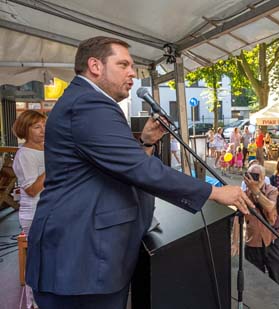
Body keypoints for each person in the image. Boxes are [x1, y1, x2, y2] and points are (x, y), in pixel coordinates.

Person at [26, 36, 253, 308]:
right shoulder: (89, 105)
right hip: (81, 260)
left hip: (85, 259)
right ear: (95, 66)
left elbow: (115, 165)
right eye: (123, 64)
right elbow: (137, 169)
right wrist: (214, 191)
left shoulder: (87, 101)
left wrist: (145, 143)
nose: (132, 73)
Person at [231, 164, 279, 291]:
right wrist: (235, 242)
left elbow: (269, 207)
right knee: (255, 281)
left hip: (272, 241)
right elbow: (237, 218)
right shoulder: (243, 195)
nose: (253, 179)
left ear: (263, 177)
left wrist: (256, 191)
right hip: (253, 243)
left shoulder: (271, 190)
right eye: (251, 175)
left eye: (256, 176)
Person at [12, 110, 47, 309]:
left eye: (44, 125)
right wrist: (51, 166)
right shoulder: (24, 154)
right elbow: (32, 190)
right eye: (36, 127)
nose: (43, 130)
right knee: (36, 261)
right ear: (25, 130)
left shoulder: (46, 149)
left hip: (49, 210)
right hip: (34, 213)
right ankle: (32, 303)